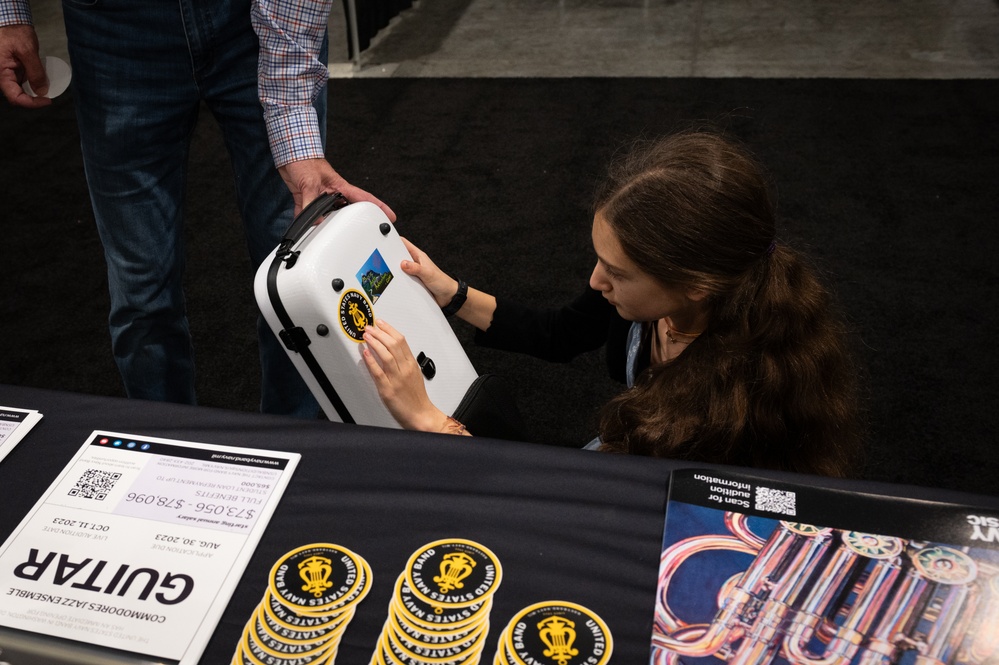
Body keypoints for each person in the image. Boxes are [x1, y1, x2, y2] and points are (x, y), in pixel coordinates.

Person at [361, 130, 864, 477]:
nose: (596, 280)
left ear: (694, 283)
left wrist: (429, 422)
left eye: (618, 272)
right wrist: (450, 291)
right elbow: (562, 333)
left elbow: (572, 499)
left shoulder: (732, 400)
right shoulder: (660, 299)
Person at [0, 0, 393, 417]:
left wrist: (292, 119)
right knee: (141, 288)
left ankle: (296, 446)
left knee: (296, 277)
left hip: (259, 24)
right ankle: (165, 449)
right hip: (109, 28)